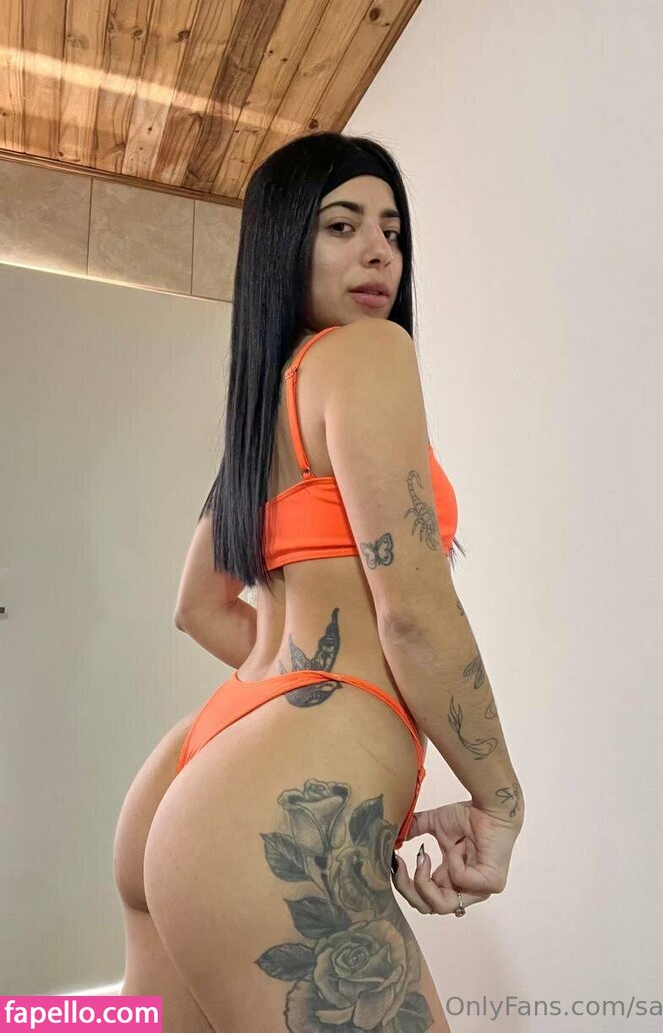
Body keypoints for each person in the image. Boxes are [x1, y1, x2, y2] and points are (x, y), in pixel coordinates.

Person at [112, 132, 525, 1032]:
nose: (379, 251)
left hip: (198, 770)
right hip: (270, 810)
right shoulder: (367, 353)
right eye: (342, 226)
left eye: (391, 230)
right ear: (283, 244)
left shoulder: (263, 414)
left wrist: (294, 707)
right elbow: (414, 613)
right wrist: (498, 800)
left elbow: (198, 609)